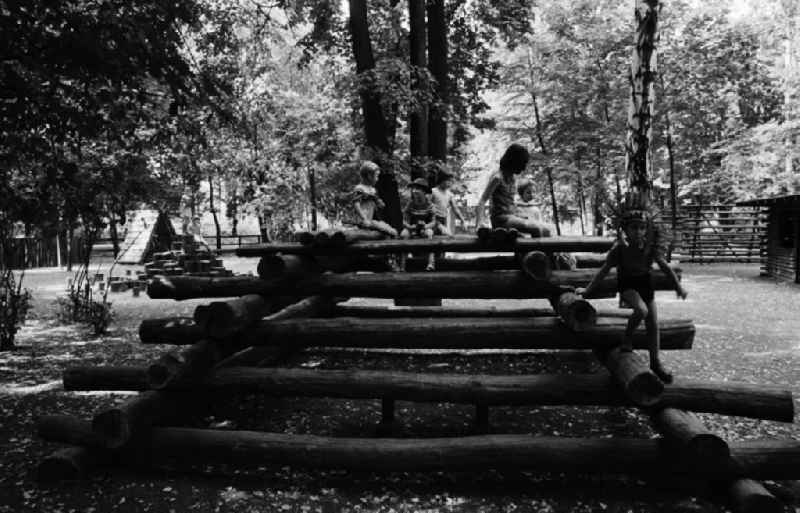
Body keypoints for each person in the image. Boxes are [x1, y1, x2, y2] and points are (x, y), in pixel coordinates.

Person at [576, 208, 688, 383]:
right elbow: (604, 271)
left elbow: (665, 267)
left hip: (645, 284)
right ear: (625, 229)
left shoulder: (650, 248)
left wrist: (678, 288)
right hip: (627, 285)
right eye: (634, 227)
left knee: (653, 324)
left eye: (642, 228)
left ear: (647, 229)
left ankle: (655, 363)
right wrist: (588, 290)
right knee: (641, 311)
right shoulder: (619, 249)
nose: (638, 232)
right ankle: (627, 337)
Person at [475, 143, 551, 237]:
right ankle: (536, 251)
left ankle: (540, 252)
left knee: (547, 230)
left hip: (512, 218)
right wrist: (479, 223)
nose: (523, 168)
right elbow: (482, 201)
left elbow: (508, 202)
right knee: (535, 228)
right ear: (514, 161)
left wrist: (525, 207)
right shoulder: (497, 178)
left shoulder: (513, 178)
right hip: (501, 221)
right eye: (522, 164)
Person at [350, 161, 398, 237]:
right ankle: (392, 232)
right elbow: (356, 204)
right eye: (376, 176)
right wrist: (364, 218)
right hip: (361, 220)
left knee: (384, 228)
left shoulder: (373, 190)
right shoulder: (360, 188)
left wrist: (379, 204)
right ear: (369, 176)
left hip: (370, 219)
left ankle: (391, 232)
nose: (377, 179)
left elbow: (376, 204)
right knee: (386, 229)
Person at [400, 178, 436, 271]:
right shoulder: (410, 204)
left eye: (417, 189)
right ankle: (402, 265)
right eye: (414, 189)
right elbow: (404, 220)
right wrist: (409, 227)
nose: (414, 191)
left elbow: (433, 222)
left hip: (425, 228)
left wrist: (425, 226)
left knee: (429, 234)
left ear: (424, 191)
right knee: (404, 234)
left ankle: (431, 263)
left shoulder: (430, 205)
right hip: (411, 228)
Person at [430, 168, 465, 236]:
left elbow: (455, 208)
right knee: (439, 234)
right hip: (434, 219)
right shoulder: (433, 191)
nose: (450, 183)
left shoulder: (450, 194)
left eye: (451, 181)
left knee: (444, 236)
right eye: (448, 181)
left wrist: (462, 220)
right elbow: (427, 206)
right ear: (441, 180)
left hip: (444, 219)